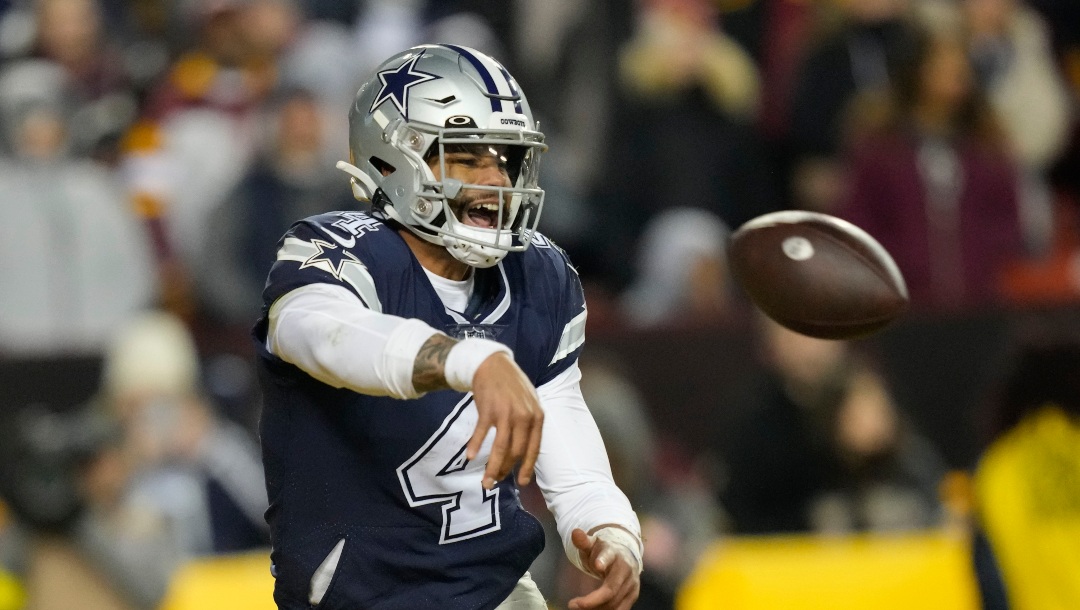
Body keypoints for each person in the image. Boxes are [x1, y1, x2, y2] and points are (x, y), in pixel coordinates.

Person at [253, 44, 643, 610]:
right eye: (464, 156)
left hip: (493, 590)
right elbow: (319, 334)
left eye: (504, 158)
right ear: (392, 160)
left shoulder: (538, 273)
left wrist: (610, 531)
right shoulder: (337, 251)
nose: (494, 181)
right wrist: (469, 360)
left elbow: (562, 430)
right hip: (366, 598)